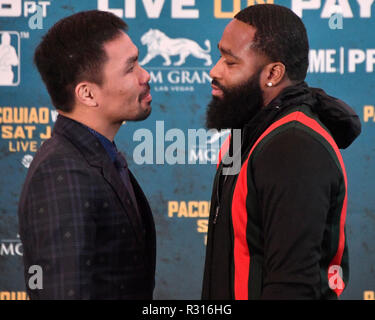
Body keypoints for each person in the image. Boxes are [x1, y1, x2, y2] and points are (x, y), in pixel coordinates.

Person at [202, 4, 361, 300]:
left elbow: (294, 287)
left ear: (273, 73)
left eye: (230, 62)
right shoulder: (248, 132)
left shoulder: (294, 148)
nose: (214, 70)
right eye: (219, 56)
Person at [18, 10, 156, 299]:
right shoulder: (62, 172)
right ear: (88, 94)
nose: (146, 75)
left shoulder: (92, 157)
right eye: (130, 68)